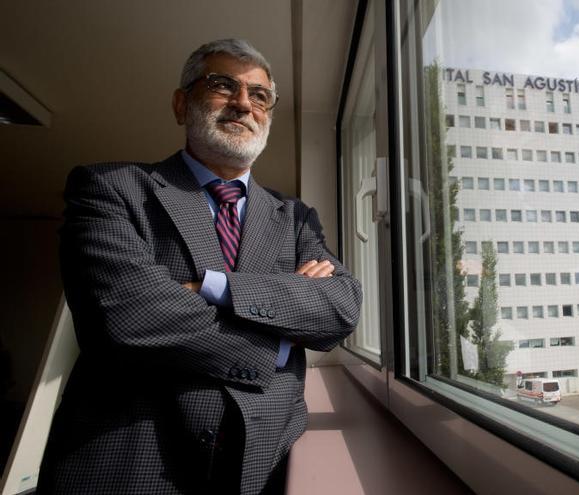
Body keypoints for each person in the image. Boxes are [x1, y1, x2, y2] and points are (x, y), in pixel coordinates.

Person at [38, 39, 362, 494]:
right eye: (223, 85)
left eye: (260, 96)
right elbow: (125, 319)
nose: (243, 104)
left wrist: (210, 287)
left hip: (261, 469)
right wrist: (281, 338)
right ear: (181, 103)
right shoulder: (110, 188)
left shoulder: (295, 218)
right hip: (133, 465)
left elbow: (340, 307)